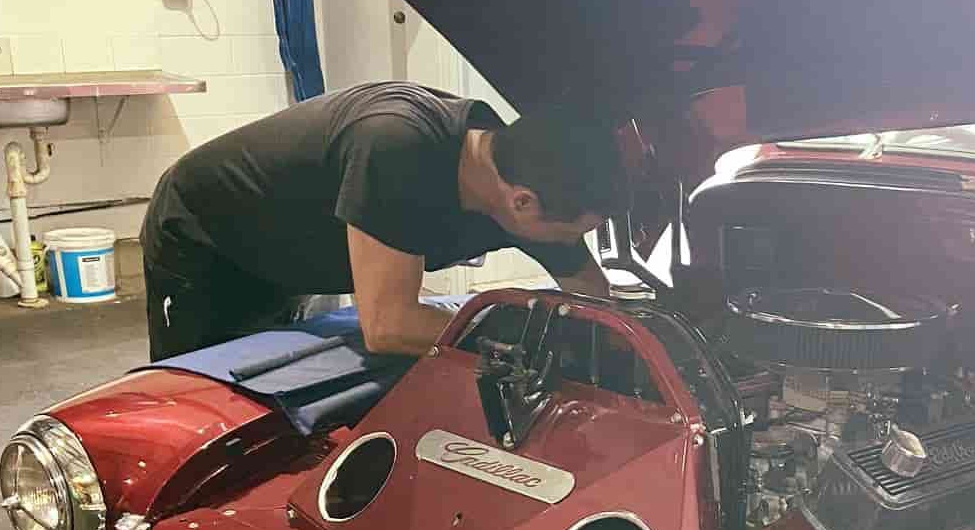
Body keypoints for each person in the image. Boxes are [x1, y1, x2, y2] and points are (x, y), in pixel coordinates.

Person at [141, 82, 625, 361]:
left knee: (268, 372)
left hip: (288, 249)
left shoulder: (527, 169)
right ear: (522, 203)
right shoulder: (397, 147)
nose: (571, 244)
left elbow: (588, 291)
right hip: (207, 238)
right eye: (573, 233)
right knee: (201, 391)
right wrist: (521, 345)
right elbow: (390, 326)